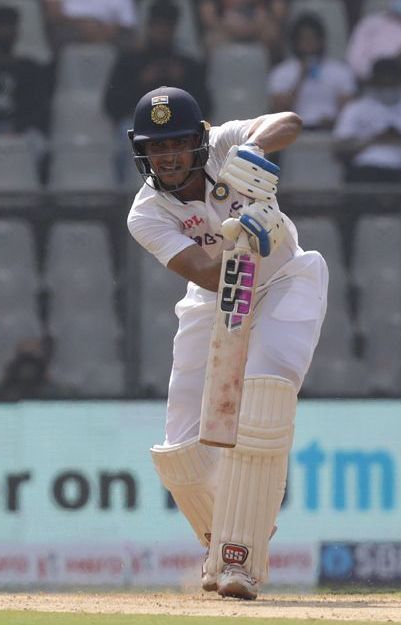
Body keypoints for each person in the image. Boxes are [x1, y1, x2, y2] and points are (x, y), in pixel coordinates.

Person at [125, 86, 327, 599]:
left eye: (176, 143)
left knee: (263, 399)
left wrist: (253, 150)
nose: (167, 156)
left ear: (200, 137)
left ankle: (240, 559)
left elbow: (290, 120)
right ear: (141, 152)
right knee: (179, 455)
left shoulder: (225, 145)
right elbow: (208, 274)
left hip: (286, 282)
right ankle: (225, 538)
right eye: (155, 147)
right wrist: (245, 234)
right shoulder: (145, 213)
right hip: (217, 295)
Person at [105, 1, 210, 181]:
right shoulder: (130, 62)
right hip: (139, 126)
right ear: (149, 27)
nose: (162, 31)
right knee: (125, 133)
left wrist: (181, 83)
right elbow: (111, 104)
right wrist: (141, 82)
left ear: (175, 29)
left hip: (179, 127)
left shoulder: (188, 65)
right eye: (158, 25)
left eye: (167, 26)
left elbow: (206, 106)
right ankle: (127, 193)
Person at [332, 57, 401, 183]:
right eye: (382, 81)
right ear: (373, 81)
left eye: (391, 81)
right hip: (364, 168)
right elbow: (341, 145)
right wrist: (376, 140)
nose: (387, 85)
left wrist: (375, 139)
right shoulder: (356, 108)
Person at [0, 6, 50, 155]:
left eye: (9, 27)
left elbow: (38, 109)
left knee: (37, 142)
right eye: (0, 27)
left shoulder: (31, 69)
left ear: (17, 32)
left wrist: (16, 128)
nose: (4, 32)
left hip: (23, 130)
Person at [268, 13, 356, 130]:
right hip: (292, 131)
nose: (309, 43)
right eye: (304, 39)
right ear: (296, 42)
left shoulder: (340, 71)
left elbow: (348, 109)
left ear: (322, 40)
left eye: (313, 38)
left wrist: (334, 122)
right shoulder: (282, 72)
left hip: (331, 130)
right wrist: (300, 77)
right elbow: (279, 111)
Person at [199, 0, 287, 62]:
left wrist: (255, 24)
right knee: (213, 40)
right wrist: (229, 25)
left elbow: (279, 13)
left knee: (272, 34)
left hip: (261, 25)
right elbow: (208, 18)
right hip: (226, 27)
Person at [45, 0, 137, 49]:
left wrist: (105, 31)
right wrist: (82, 24)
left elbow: (127, 22)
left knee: (131, 43)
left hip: (110, 31)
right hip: (70, 27)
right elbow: (53, 14)